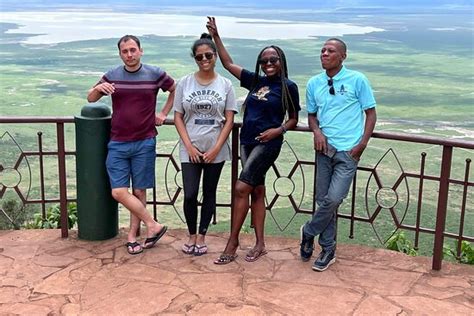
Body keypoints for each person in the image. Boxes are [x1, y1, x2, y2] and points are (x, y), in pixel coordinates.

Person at [206, 17, 301, 265]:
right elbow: (227, 63)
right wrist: (216, 36)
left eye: (273, 60)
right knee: (257, 190)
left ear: (281, 62)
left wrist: (277, 131)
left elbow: (293, 119)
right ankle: (260, 244)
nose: (268, 63)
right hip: (247, 141)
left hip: (268, 144)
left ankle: (233, 241)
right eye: (264, 60)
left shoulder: (288, 86)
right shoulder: (255, 81)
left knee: (241, 188)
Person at [87, 35, 175, 255]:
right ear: (120, 54)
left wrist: (163, 113)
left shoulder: (155, 73)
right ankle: (153, 225)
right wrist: (100, 88)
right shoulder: (113, 75)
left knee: (139, 191)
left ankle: (133, 236)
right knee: (118, 191)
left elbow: (175, 88)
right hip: (117, 141)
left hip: (145, 140)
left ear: (141, 51)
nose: (129, 54)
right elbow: (90, 98)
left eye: (133, 50)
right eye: (125, 51)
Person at [301, 38, 377, 271]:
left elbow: (371, 113)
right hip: (324, 150)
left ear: (343, 56)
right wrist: (316, 132)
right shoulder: (314, 83)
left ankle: (308, 231)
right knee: (324, 201)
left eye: (330, 51)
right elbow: (312, 115)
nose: (324, 53)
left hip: (348, 151)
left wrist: (362, 144)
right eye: (323, 50)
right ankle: (327, 249)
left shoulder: (357, 80)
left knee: (333, 199)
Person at [173, 33, 237, 256]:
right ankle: (191, 234)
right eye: (199, 57)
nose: (204, 60)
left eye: (208, 55)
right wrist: (188, 146)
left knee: (209, 192)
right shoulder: (184, 83)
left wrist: (217, 148)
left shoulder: (226, 84)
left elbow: (229, 119)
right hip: (189, 147)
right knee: (190, 193)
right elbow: (178, 116)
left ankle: (202, 235)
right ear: (195, 59)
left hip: (215, 148)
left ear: (215, 56)